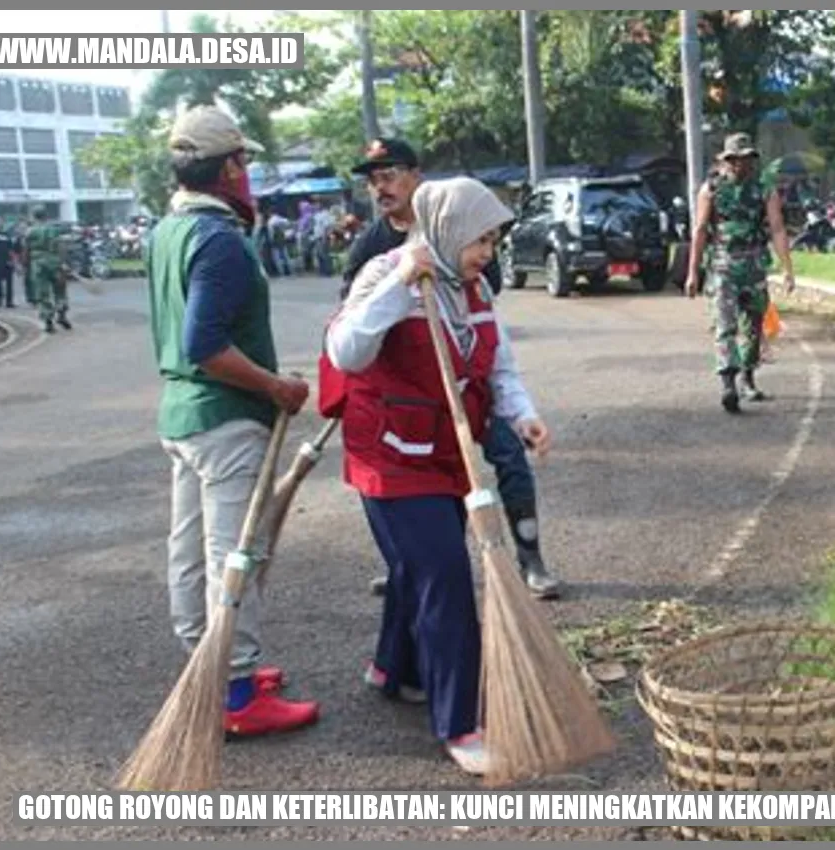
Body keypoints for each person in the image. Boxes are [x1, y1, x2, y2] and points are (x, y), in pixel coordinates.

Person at [322, 176, 550, 775]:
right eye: (481, 240)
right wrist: (402, 284)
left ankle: (392, 668)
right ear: (447, 231)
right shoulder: (385, 272)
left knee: (417, 566)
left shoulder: (473, 288)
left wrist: (522, 416)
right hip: (391, 457)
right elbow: (347, 351)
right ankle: (460, 722)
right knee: (444, 574)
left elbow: (498, 365)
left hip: (448, 451)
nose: (488, 254)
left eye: (494, 241)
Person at [145, 105, 318, 737]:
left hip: (182, 418)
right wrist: (279, 386)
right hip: (224, 422)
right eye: (243, 162)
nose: (248, 175)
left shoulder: (166, 230)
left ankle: (209, 669)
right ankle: (237, 691)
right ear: (229, 168)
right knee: (233, 555)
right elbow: (205, 346)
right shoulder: (219, 239)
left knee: (188, 553)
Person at [342, 137, 563, 600]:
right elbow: (351, 339)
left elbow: (491, 338)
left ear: (415, 176)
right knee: (427, 522)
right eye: (373, 180)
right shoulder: (375, 248)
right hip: (411, 407)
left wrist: (521, 414)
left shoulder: (464, 227)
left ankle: (529, 557)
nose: (381, 188)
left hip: (468, 391)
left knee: (509, 457)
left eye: (389, 176)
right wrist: (399, 285)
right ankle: (415, 562)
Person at [684, 133, 795, 413]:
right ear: (724, 160)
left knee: (754, 327)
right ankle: (728, 384)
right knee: (725, 326)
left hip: (754, 265)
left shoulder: (764, 189)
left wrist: (787, 268)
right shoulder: (710, 189)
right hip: (723, 266)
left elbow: (778, 227)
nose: (738, 165)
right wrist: (692, 273)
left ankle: (747, 375)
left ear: (752, 161)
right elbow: (699, 231)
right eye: (733, 159)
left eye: (743, 159)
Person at [24, 207, 72, 334]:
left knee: (42, 293)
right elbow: (61, 246)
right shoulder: (54, 230)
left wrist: (25, 266)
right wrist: (64, 263)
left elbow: (26, 250)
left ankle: (48, 321)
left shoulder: (30, 232)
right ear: (46, 217)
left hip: (38, 265)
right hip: (55, 263)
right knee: (60, 290)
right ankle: (61, 314)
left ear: (34, 217)